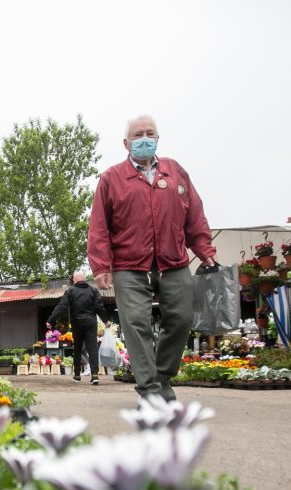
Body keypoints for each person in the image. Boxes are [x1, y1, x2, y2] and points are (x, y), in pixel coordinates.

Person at [88, 115, 216, 401]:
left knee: (182, 319)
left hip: (174, 262)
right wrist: (101, 265)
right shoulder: (112, 178)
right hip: (129, 266)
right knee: (136, 324)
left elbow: (194, 214)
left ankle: (162, 379)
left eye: (150, 133)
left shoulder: (175, 172)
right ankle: (149, 391)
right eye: (138, 134)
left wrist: (204, 250)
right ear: (126, 143)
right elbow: (99, 226)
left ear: (158, 138)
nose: (144, 138)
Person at [47, 271, 108, 385]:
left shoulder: (70, 291)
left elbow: (61, 306)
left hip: (77, 324)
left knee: (78, 349)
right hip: (91, 323)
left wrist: (51, 320)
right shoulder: (93, 290)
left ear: (75, 280)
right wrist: (106, 321)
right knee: (92, 348)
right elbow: (99, 307)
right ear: (84, 279)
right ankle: (94, 375)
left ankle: (77, 375)